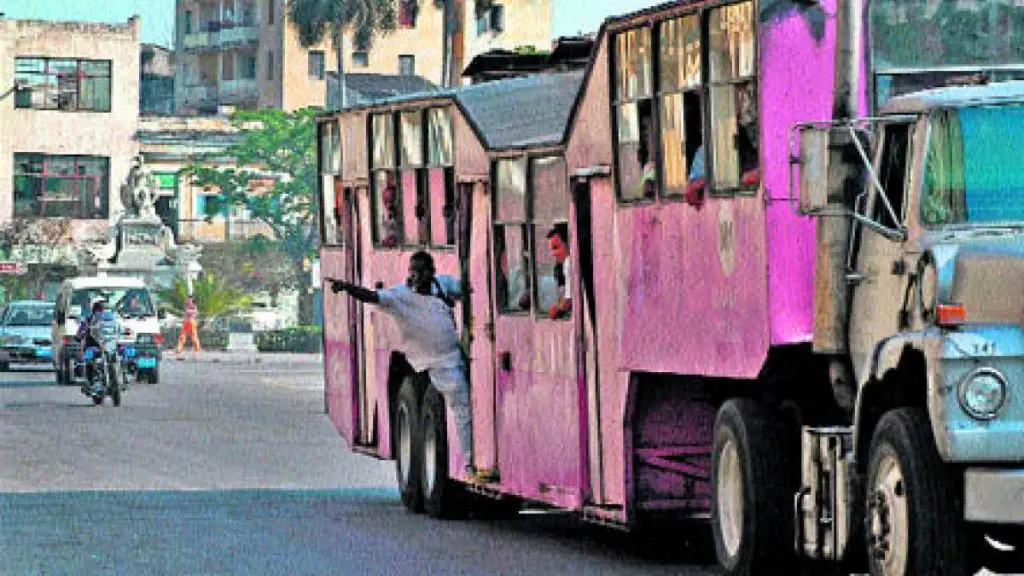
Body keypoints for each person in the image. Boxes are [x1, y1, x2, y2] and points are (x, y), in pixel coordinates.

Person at [329, 251, 495, 483]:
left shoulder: (443, 285)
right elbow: (372, 296)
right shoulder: (400, 296)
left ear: (431, 272)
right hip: (437, 363)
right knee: (462, 407)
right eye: (413, 271)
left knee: (475, 405)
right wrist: (348, 288)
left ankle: (480, 455)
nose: (416, 276)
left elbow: (466, 290)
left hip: (456, 355)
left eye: (421, 271)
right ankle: (470, 464)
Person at [546, 223, 572, 320]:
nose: (553, 254)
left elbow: (568, 301)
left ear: (568, 244)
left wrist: (557, 309)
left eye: (556, 247)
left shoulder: (569, 262)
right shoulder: (563, 265)